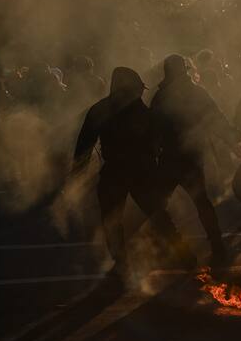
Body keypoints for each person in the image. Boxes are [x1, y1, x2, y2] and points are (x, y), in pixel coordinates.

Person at [73, 67, 171, 279]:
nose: (140, 93)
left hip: (116, 171)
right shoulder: (141, 110)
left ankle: (121, 262)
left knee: (113, 220)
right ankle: (179, 250)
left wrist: (77, 174)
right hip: (140, 170)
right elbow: (158, 141)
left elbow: (84, 145)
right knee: (154, 212)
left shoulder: (101, 109)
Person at [151, 55, 241, 267]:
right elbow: (215, 118)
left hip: (172, 158)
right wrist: (231, 138)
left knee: (157, 205)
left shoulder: (161, 96)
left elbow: (151, 129)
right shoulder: (194, 93)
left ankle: (183, 251)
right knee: (201, 202)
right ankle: (215, 245)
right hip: (188, 157)